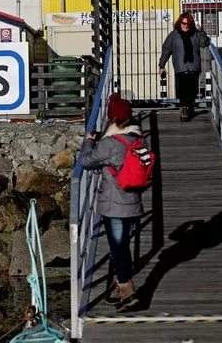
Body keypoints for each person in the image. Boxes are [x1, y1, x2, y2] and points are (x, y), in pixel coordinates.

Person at [80, 93, 143, 312]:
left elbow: (86, 161)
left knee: (117, 249)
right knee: (123, 247)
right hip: (134, 202)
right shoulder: (136, 139)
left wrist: (89, 142)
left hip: (114, 204)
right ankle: (122, 287)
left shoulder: (109, 144)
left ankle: (127, 289)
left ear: (112, 119)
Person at [158, 12, 210, 122]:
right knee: (182, 90)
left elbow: (204, 44)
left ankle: (189, 107)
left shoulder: (195, 33)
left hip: (194, 67)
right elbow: (166, 50)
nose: (185, 26)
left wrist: (201, 32)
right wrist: (161, 65)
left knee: (192, 90)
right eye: (183, 23)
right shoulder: (173, 36)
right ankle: (184, 109)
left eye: (188, 24)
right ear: (179, 22)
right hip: (181, 68)